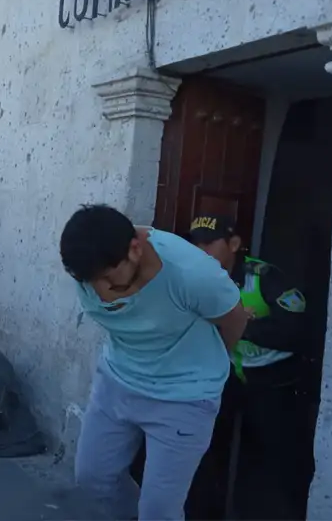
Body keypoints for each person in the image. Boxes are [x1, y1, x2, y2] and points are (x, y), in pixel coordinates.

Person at [58, 204, 250, 521]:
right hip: (117, 381)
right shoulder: (90, 270)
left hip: (183, 396)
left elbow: (234, 319)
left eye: (107, 278)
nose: (99, 290)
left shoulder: (192, 273)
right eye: (89, 282)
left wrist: (206, 365)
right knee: (93, 480)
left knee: (158, 511)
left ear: (135, 249)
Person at [186, 214, 315, 521]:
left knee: (276, 464)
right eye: (196, 245)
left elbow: (296, 333)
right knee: (205, 454)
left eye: (209, 243)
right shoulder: (193, 279)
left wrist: (239, 325)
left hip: (272, 384)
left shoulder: (265, 277)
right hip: (224, 377)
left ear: (233, 243)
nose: (201, 251)